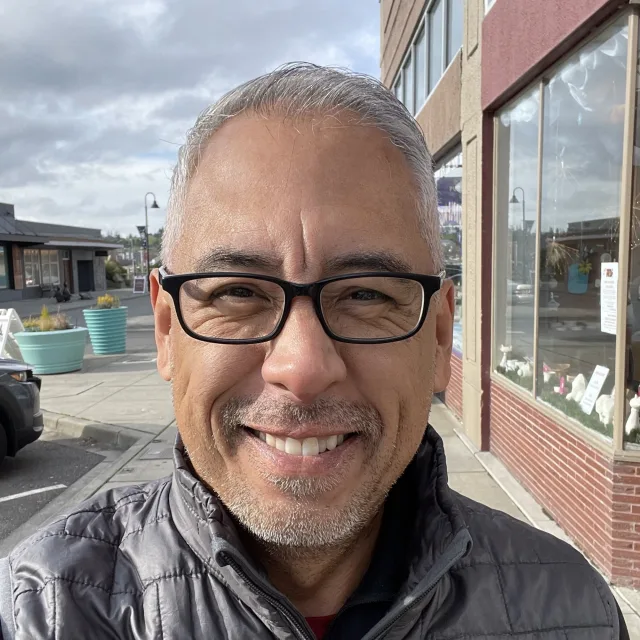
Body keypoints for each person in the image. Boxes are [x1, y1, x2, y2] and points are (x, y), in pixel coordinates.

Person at [0, 64, 629, 639]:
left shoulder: (573, 615)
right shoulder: (40, 613)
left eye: (364, 293)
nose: (301, 368)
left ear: (439, 336)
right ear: (167, 331)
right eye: (239, 292)